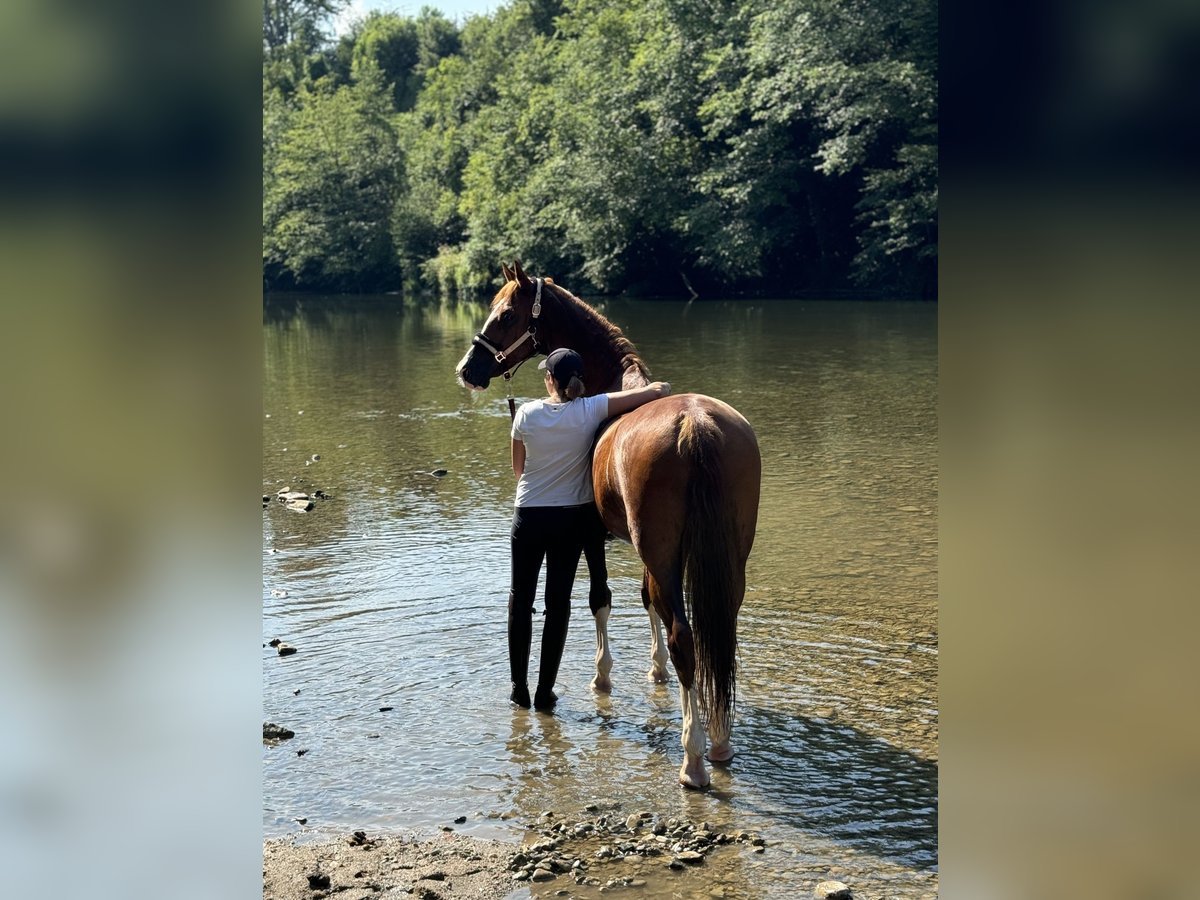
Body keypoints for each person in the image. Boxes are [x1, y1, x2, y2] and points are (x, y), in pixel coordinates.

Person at [508, 347, 671, 710]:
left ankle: (519, 690)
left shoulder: (526, 414)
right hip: (569, 520)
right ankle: (544, 692)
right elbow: (644, 394)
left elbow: (518, 470)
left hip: (529, 517)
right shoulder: (591, 408)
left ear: (550, 380)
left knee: (521, 601)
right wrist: (658, 388)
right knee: (557, 604)